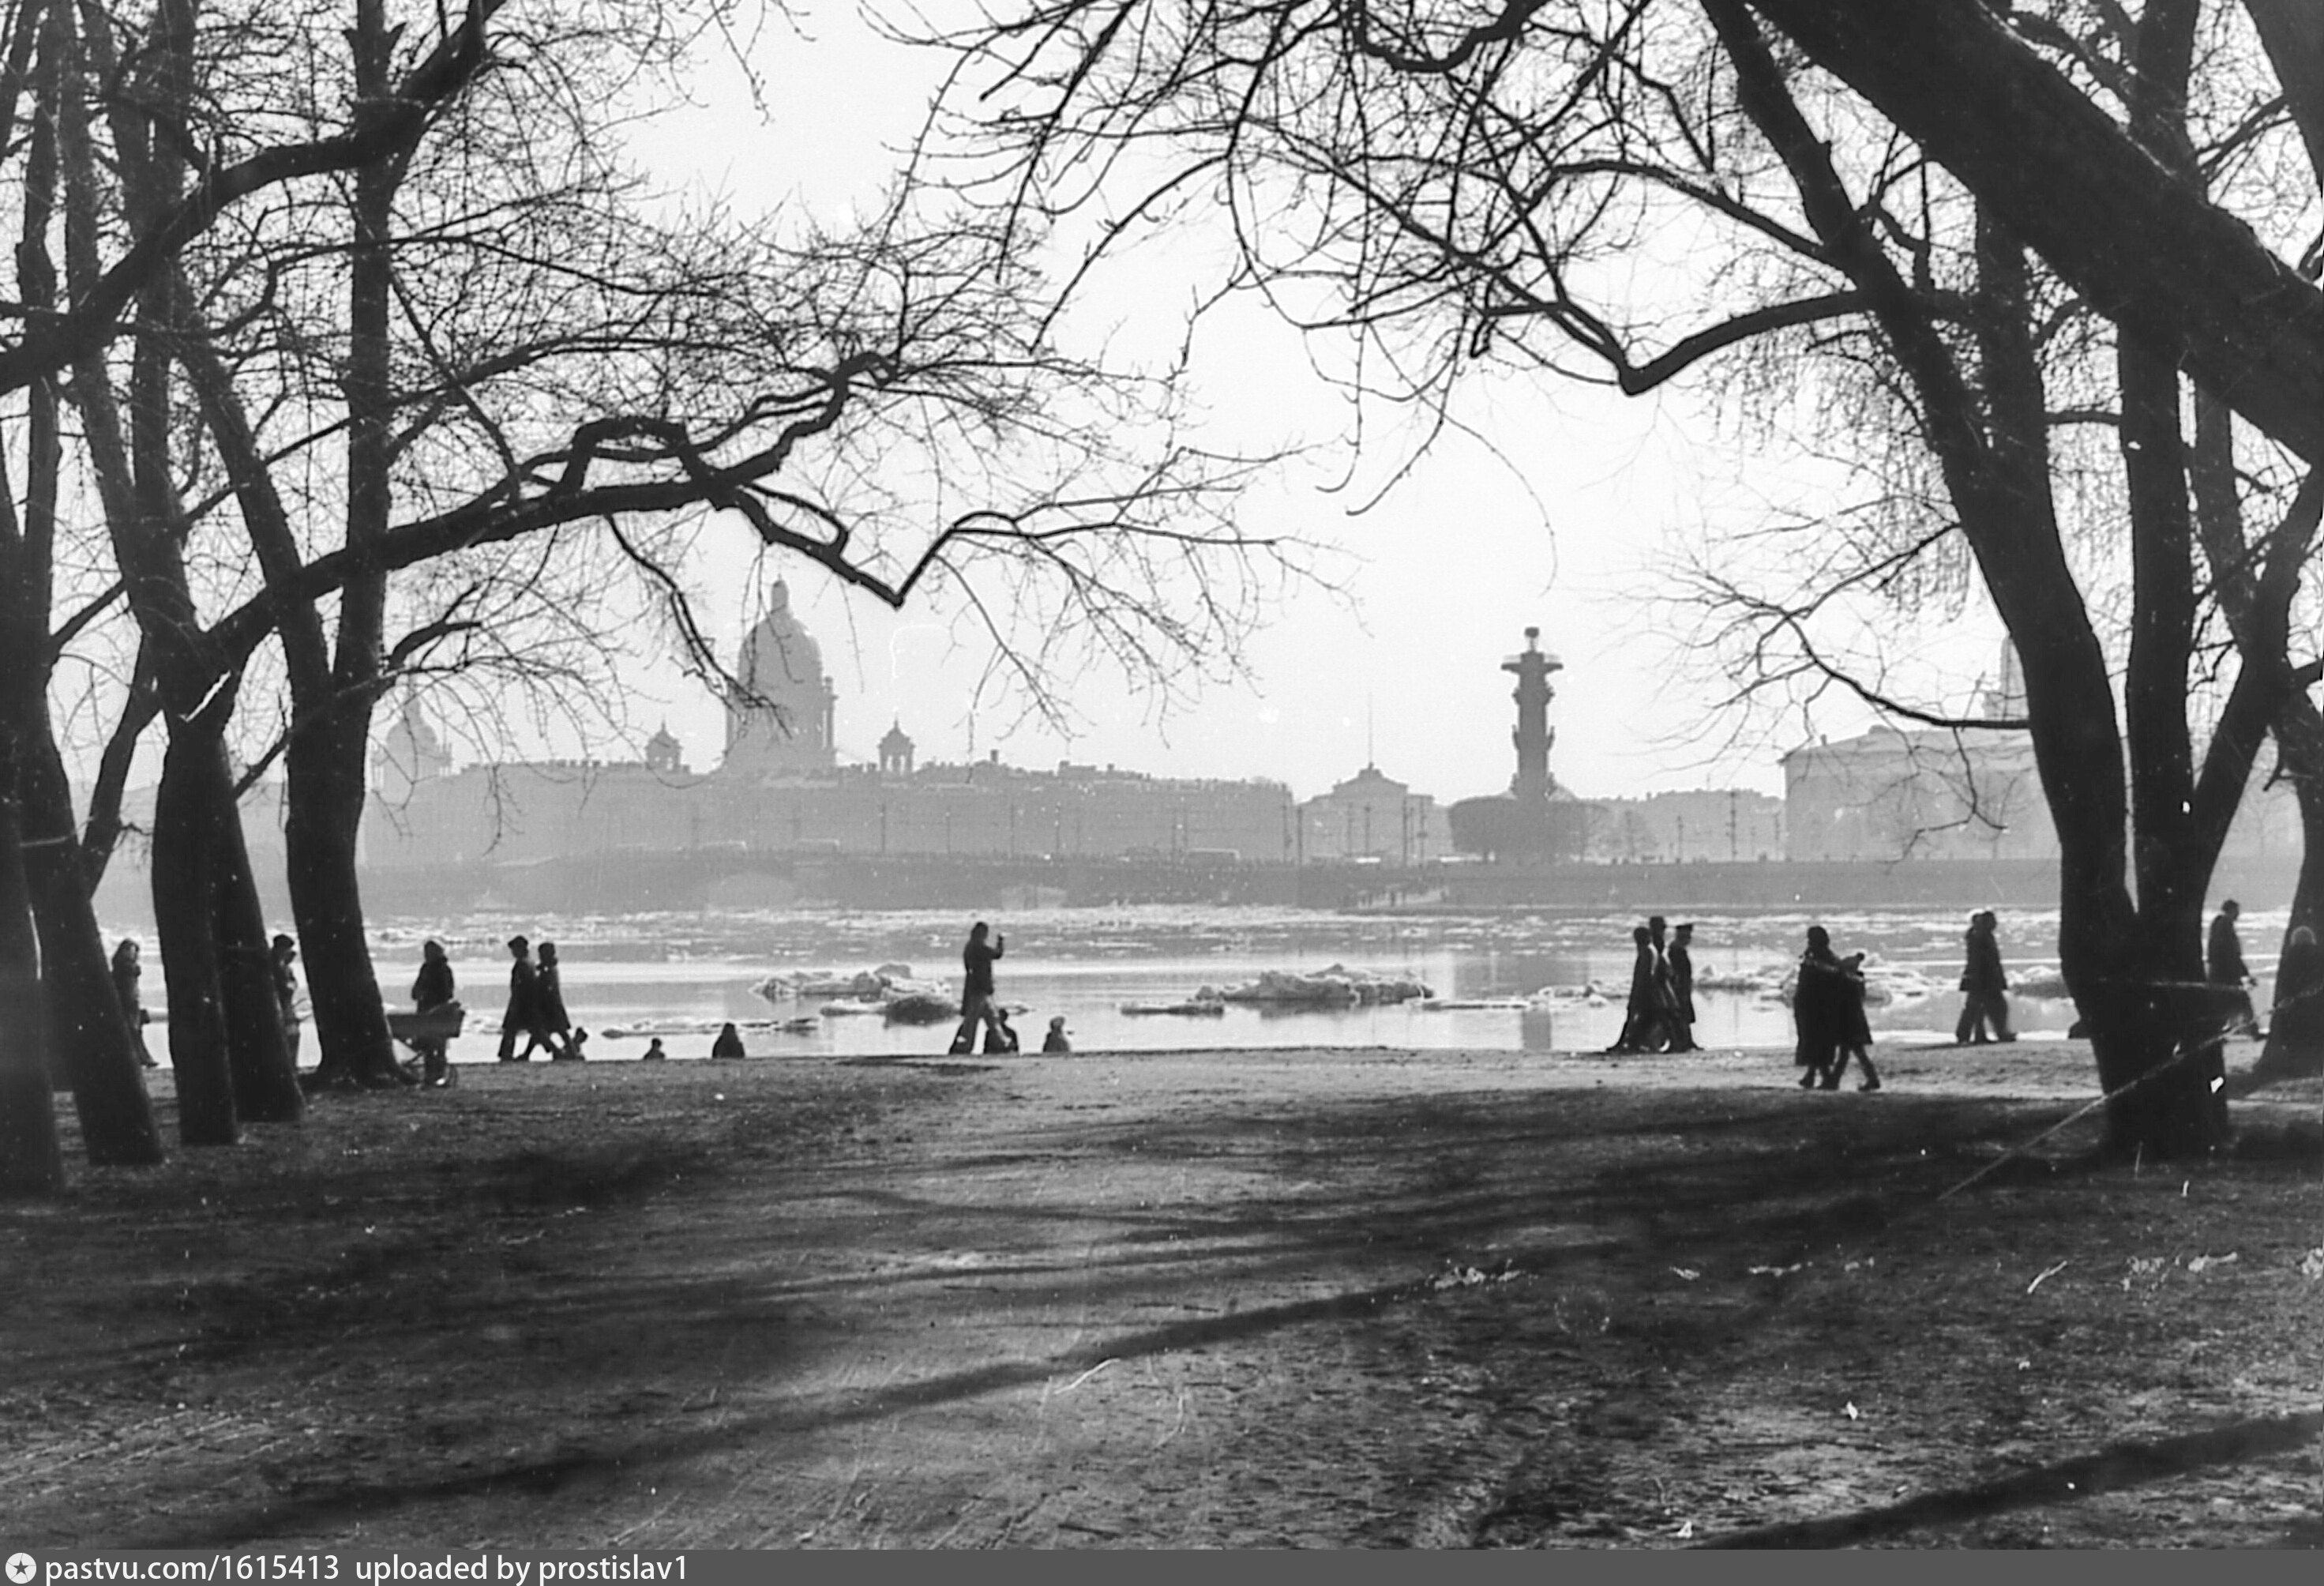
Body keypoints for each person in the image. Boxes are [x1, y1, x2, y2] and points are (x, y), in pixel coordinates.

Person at [1793, 926, 1849, 1089]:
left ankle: (1823, 1077)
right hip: (1820, 1006)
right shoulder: (1826, 957)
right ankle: (1813, 1076)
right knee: (1817, 1042)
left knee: (1815, 1042)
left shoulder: (1818, 959)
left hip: (1815, 1006)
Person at [2263, 925, 2323, 1070]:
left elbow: (2285, 980)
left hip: (2295, 1003)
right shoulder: (2319, 955)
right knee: (2315, 1033)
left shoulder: (2290, 956)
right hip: (2315, 1003)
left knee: (2296, 1034)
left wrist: (2287, 995)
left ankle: (2297, 1063)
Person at [1954, 911, 2017, 1044]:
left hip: (1980, 977)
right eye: (1992, 921)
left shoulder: (1977, 935)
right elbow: (1987, 960)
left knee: (1976, 1008)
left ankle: (1971, 1034)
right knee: (1996, 1007)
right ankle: (2000, 1033)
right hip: (1984, 978)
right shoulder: (1982, 936)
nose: (1995, 924)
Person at [1827, 951, 1882, 1092]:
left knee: (1849, 1054)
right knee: (1854, 1053)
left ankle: (1835, 1081)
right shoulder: (1857, 982)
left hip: (1848, 1024)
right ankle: (1870, 1079)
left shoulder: (1845, 983)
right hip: (1856, 1022)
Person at [1605, 924, 1666, 1054]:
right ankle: (1631, 1042)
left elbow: (1644, 975)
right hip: (1648, 992)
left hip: (1644, 992)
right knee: (1640, 1019)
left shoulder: (1647, 951)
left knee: (1634, 1018)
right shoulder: (1651, 950)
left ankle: (1627, 1043)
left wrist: (1638, 994)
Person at [950, 922, 1008, 1055]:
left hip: (976, 987)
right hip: (980, 988)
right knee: (974, 1020)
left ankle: (1001, 1042)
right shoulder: (979, 947)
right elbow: (997, 954)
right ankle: (966, 1046)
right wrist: (1000, 942)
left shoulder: (970, 947)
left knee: (990, 1018)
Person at [2209, 899, 2260, 1038]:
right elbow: (2231, 954)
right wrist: (2243, 973)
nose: (2239, 914)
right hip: (2227, 975)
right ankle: (2253, 1032)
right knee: (2242, 1003)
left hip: (2221, 974)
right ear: (2231, 910)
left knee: (2224, 1005)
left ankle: (2219, 1032)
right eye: (2237, 910)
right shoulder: (2225, 926)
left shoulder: (2219, 925)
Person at [411, 939, 457, 1088]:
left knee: (433, 1043)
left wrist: (425, 994)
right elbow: (416, 990)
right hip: (430, 1014)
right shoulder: (429, 968)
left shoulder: (441, 970)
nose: (426, 955)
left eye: (429, 952)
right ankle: (433, 1073)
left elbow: (446, 993)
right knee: (432, 1044)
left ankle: (434, 1073)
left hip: (436, 1013)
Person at [528, 941, 579, 1060]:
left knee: (544, 1031)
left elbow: (547, 987)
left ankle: (561, 1052)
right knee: (555, 1031)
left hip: (550, 1005)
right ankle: (570, 1053)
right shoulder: (549, 967)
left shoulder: (549, 969)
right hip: (552, 1004)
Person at [112, 938, 158, 1069]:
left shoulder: (124, 967)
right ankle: (143, 1058)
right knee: (134, 1031)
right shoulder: (125, 968)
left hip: (131, 1001)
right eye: (129, 951)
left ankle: (142, 1058)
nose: (131, 954)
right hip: (128, 1001)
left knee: (135, 1031)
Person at [497, 936, 540, 1062]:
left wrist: (516, 1001)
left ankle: (506, 1053)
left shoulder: (522, 964)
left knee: (511, 1029)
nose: (513, 952)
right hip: (527, 1000)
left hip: (521, 1001)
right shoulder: (530, 962)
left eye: (515, 949)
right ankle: (509, 1053)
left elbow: (519, 984)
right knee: (532, 1029)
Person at [1665, 922, 1699, 1052]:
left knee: (1684, 1014)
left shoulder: (1677, 949)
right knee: (1681, 1014)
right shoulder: (1676, 950)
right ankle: (1683, 1042)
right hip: (1679, 987)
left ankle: (1687, 1041)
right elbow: (1678, 971)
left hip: (1682, 986)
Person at [269, 934, 303, 1064]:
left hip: (287, 1005)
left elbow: (293, 983)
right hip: (280, 1006)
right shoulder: (275, 966)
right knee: (290, 1036)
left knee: (293, 1035)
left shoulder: (285, 966)